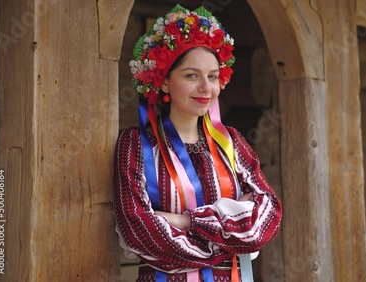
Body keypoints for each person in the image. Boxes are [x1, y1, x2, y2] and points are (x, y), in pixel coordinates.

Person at [113, 4, 282, 282]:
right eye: (192, 75)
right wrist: (229, 236)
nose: (206, 87)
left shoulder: (232, 143)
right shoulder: (135, 146)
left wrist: (187, 221)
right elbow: (139, 232)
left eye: (213, 76)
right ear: (165, 81)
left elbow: (267, 218)